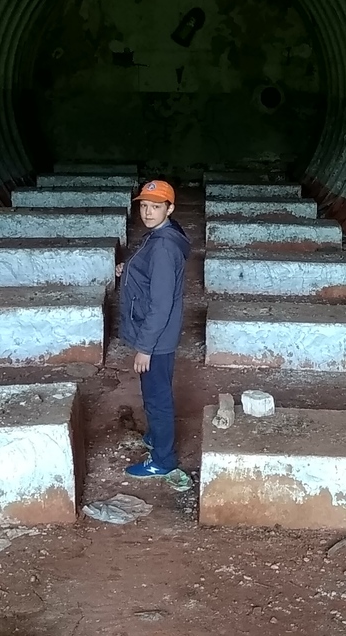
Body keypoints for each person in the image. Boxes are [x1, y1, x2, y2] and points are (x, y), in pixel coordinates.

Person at [116, 179, 191, 477]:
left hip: (156, 340)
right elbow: (154, 277)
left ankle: (163, 458)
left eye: (155, 207)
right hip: (161, 335)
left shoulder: (162, 248)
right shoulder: (164, 235)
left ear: (169, 208)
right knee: (156, 392)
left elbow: (160, 305)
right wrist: (130, 269)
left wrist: (144, 348)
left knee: (157, 397)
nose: (147, 212)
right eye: (144, 206)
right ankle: (157, 438)